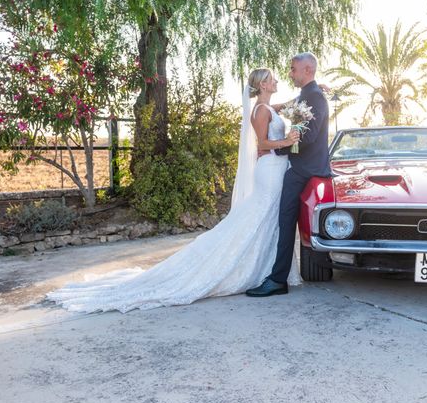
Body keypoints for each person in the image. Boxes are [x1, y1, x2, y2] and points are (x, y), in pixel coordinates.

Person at [47, 68, 301, 313]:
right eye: (272, 78)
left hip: (277, 168)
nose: (277, 80)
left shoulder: (267, 107)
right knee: (258, 218)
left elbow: (279, 109)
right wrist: (288, 141)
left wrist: (303, 99)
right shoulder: (259, 110)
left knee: (268, 220)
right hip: (269, 169)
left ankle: (267, 269)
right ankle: (242, 269)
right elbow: (263, 143)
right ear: (263, 85)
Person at [246, 52, 332, 297]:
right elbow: (280, 109)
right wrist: (270, 144)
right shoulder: (308, 95)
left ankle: (277, 279)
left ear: (307, 70)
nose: (290, 73)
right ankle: (278, 276)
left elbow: (308, 137)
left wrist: (278, 147)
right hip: (298, 166)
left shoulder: (314, 97)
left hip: (303, 169)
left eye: (293, 69)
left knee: (286, 222)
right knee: (284, 222)